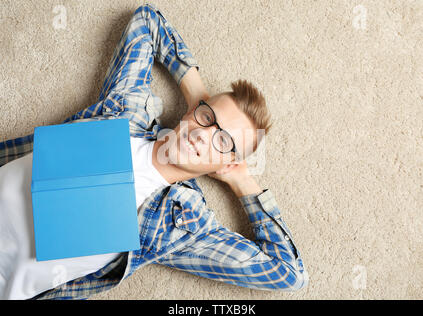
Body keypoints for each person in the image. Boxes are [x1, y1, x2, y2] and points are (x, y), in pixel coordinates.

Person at [0, 3, 308, 300]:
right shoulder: (129, 110)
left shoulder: (183, 225)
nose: (204, 135)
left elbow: (288, 272)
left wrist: (243, 184)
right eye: (208, 117)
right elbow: (147, 22)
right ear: (193, 111)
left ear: (229, 161)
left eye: (224, 141)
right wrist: (198, 97)